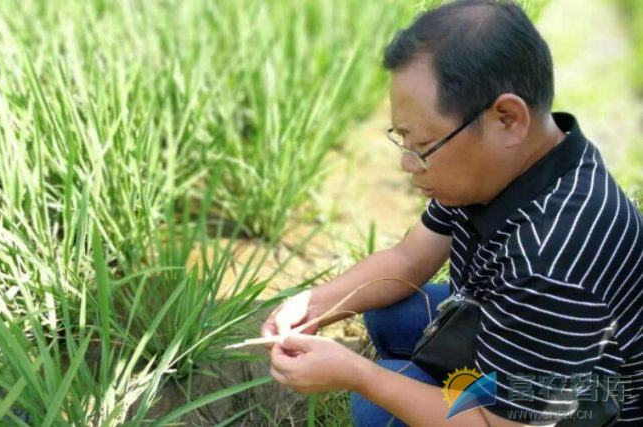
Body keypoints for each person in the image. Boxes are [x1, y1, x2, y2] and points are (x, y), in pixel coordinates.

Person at [260, 0, 643, 425]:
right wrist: (312, 306)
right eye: (402, 139)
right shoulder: (505, 166)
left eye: (421, 145)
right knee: (392, 313)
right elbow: (408, 260)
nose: (408, 162)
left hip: (584, 408)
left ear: (507, 119)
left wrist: (358, 375)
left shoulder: (552, 258)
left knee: (377, 407)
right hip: (534, 348)